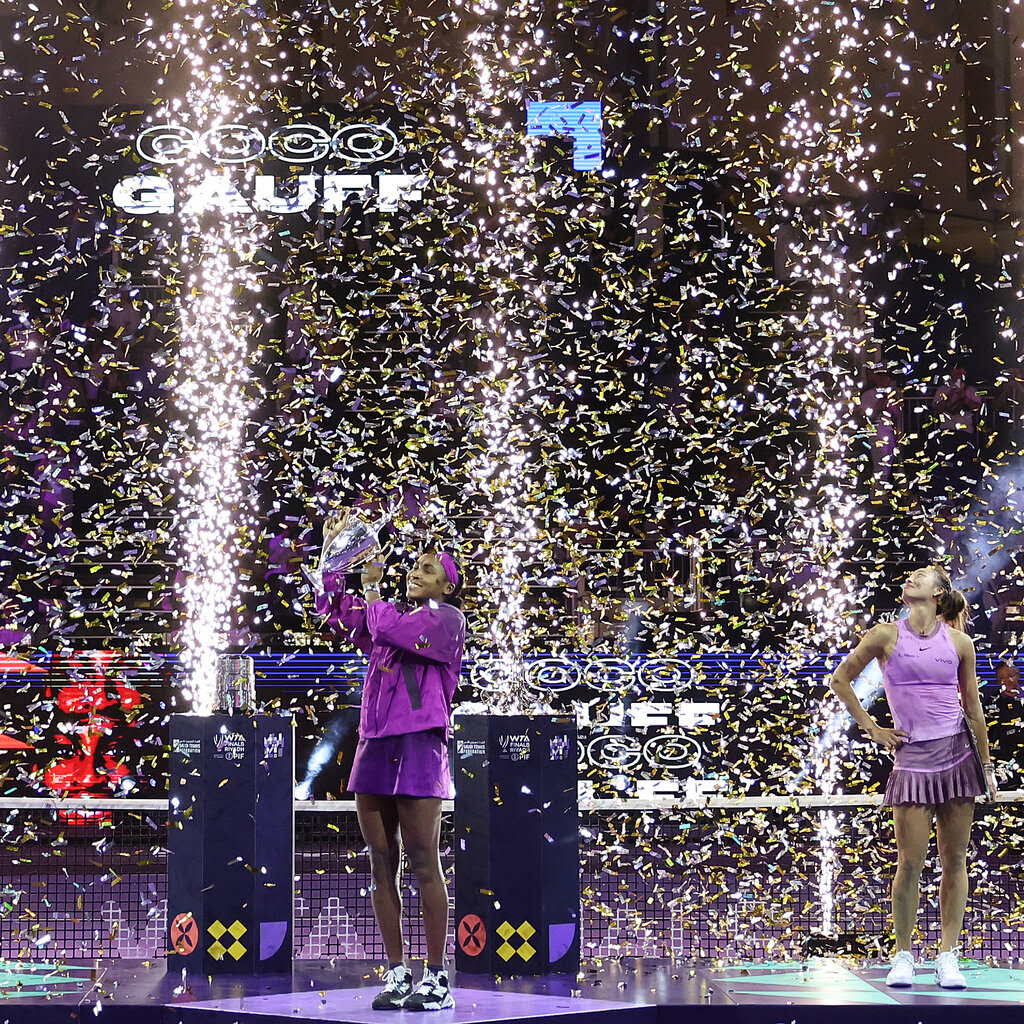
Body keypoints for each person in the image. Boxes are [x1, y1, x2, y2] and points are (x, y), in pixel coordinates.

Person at [315, 510, 466, 1011]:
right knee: (382, 863)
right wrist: (334, 552)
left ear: (447, 584)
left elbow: (394, 629)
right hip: (374, 747)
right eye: (414, 568)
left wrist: (374, 592)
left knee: (424, 862)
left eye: (427, 570)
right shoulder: (390, 622)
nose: (415, 574)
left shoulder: (445, 621)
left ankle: (437, 976)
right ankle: (398, 971)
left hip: (420, 746)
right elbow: (337, 611)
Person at [829, 566, 997, 990]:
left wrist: (989, 767)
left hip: (958, 756)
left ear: (938, 594)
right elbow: (840, 680)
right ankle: (903, 955)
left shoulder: (960, 642)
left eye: (921, 576)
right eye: (910, 575)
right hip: (911, 761)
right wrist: (873, 728)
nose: (910, 578)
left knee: (954, 860)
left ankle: (948, 957)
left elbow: (973, 708)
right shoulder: (884, 635)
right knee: (909, 863)